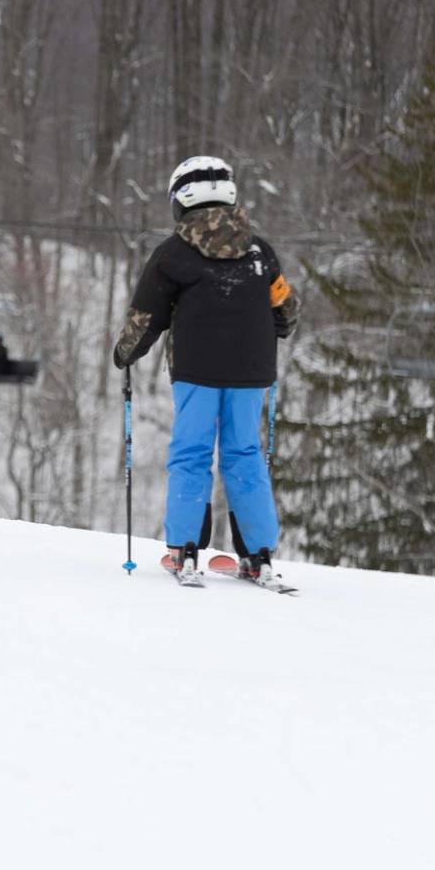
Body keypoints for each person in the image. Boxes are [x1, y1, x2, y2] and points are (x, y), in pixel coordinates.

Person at [113, 156, 300, 588]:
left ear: (181, 199)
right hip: (251, 372)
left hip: (197, 369)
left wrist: (125, 354)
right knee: (244, 456)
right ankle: (258, 554)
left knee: (192, 453)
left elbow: (146, 318)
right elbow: (286, 313)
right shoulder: (260, 252)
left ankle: (186, 548)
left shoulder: (173, 254)